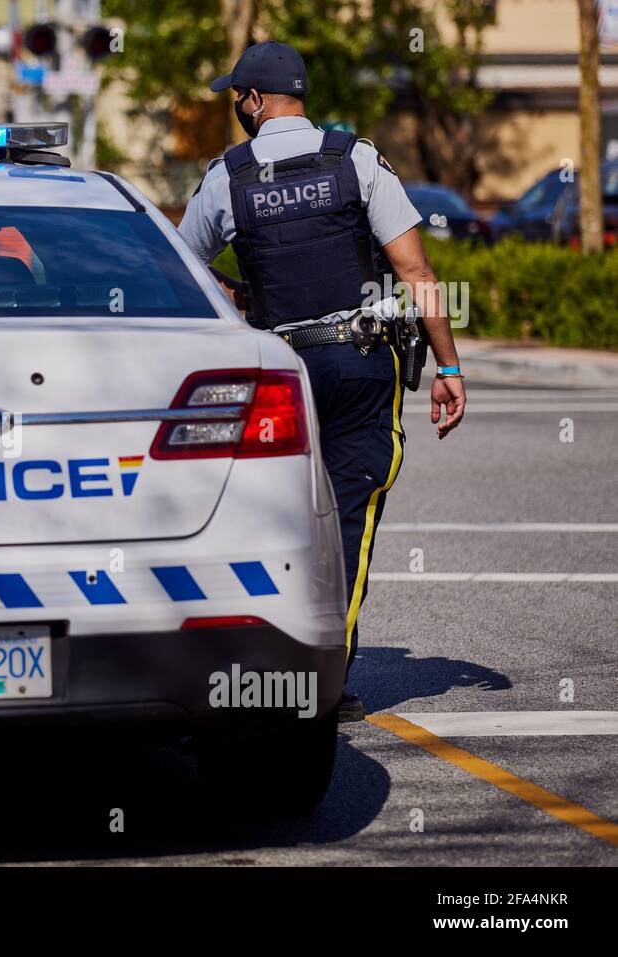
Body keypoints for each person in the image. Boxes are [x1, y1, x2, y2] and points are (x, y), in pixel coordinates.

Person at [178, 41, 468, 722]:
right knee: (345, 516)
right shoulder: (356, 160)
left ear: (253, 100)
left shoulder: (229, 175)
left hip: (278, 371)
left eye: (237, 98)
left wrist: (242, 295)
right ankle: (325, 677)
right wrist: (449, 367)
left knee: (270, 517)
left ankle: (270, 669)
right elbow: (419, 275)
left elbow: (177, 266)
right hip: (360, 363)